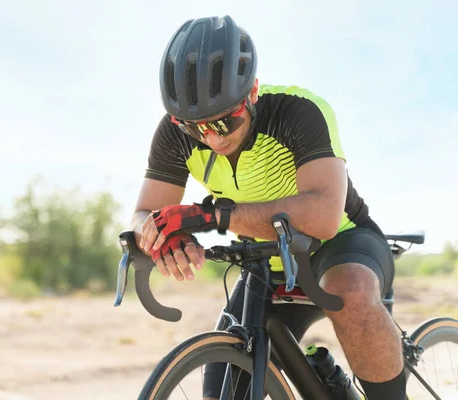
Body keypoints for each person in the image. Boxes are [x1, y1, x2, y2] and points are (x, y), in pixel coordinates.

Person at [131, 15, 405, 400]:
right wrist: (162, 235)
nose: (210, 138)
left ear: (253, 92)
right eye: (194, 127)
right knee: (222, 391)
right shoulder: (175, 134)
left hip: (342, 245)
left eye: (224, 123)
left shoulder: (299, 112)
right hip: (267, 258)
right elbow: (145, 213)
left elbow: (324, 216)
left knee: (351, 289)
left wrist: (212, 216)